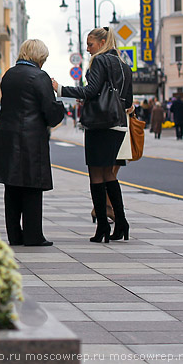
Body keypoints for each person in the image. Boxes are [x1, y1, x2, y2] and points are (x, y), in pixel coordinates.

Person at [52, 27, 133, 244]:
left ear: (103, 41)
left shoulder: (100, 61)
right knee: (110, 175)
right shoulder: (125, 66)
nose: (88, 50)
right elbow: (129, 101)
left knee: (96, 175)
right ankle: (122, 223)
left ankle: (103, 227)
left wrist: (60, 88)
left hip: (100, 124)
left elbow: (91, 91)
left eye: (90, 44)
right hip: (118, 125)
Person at [0, 40, 66, 247]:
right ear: (39, 57)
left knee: (12, 186)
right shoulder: (39, 77)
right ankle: (34, 235)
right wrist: (60, 107)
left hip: (7, 136)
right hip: (30, 138)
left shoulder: (9, 75)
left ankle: (15, 236)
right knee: (32, 186)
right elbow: (50, 112)